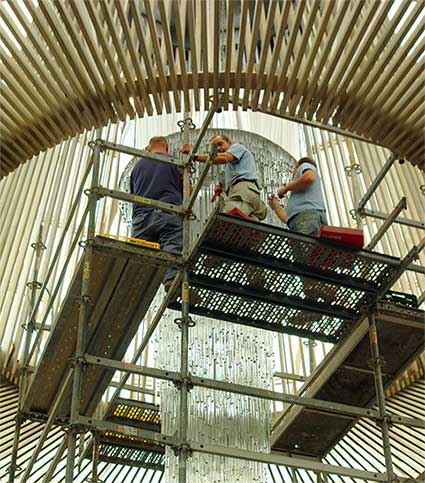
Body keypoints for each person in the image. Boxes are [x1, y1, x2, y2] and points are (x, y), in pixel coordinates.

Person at [130, 136, 183, 290]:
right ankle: (171, 279)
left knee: (141, 252)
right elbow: (187, 191)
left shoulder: (137, 167)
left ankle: (135, 286)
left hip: (141, 216)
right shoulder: (175, 162)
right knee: (171, 243)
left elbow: (133, 194)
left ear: (148, 148)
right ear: (166, 147)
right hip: (168, 209)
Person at [184, 135, 267, 221]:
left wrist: (195, 156)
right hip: (249, 194)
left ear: (229, 142)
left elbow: (223, 158)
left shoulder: (237, 148)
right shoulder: (229, 168)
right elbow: (224, 178)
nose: (219, 149)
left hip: (243, 190)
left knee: (226, 218)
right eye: (215, 148)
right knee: (247, 224)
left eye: (220, 144)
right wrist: (221, 186)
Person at [268, 156, 327, 236]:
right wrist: (276, 207)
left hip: (308, 219)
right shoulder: (300, 197)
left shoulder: (304, 165)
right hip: (300, 222)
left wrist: (286, 188)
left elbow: (309, 177)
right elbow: (288, 218)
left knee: (306, 246)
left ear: (297, 166)